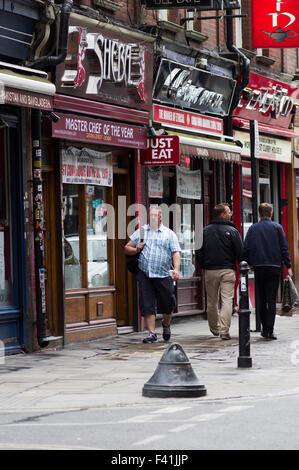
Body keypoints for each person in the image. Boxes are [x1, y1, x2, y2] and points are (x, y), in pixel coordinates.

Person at [124, 206, 181, 343]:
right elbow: (127, 248)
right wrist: (136, 249)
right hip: (145, 274)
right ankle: (152, 333)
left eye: (156, 215)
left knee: (168, 304)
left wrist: (176, 270)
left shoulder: (169, 234)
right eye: (151, 215)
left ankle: (166, 325)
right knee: (147, 303)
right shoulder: (142, 231)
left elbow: (175, 253)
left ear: (161, 217)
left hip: (163, 274)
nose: (153, 218)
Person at [243, 202, 293, 340]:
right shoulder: (277, 227)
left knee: (261, 299)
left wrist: (250, 264)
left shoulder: (253, 228)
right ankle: (269, 330)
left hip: (259, 267)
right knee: (271, 299)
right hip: (274, 267)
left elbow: (246, 248)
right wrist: (288, 266)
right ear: (271, 213)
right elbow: (284, 247)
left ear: (259, 214)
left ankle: (263, 328)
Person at [198, 203, 243, 340]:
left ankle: (214, 329)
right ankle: (224, 331)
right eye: (229, 212)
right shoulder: (232, 231)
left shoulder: (204, 231)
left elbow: (198, 251)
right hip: (227, 270)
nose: (231, 215)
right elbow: (240, 253)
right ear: (222, 214)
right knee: (227, 300)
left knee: (211, 301)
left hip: (210, 271)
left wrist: (203, 265)